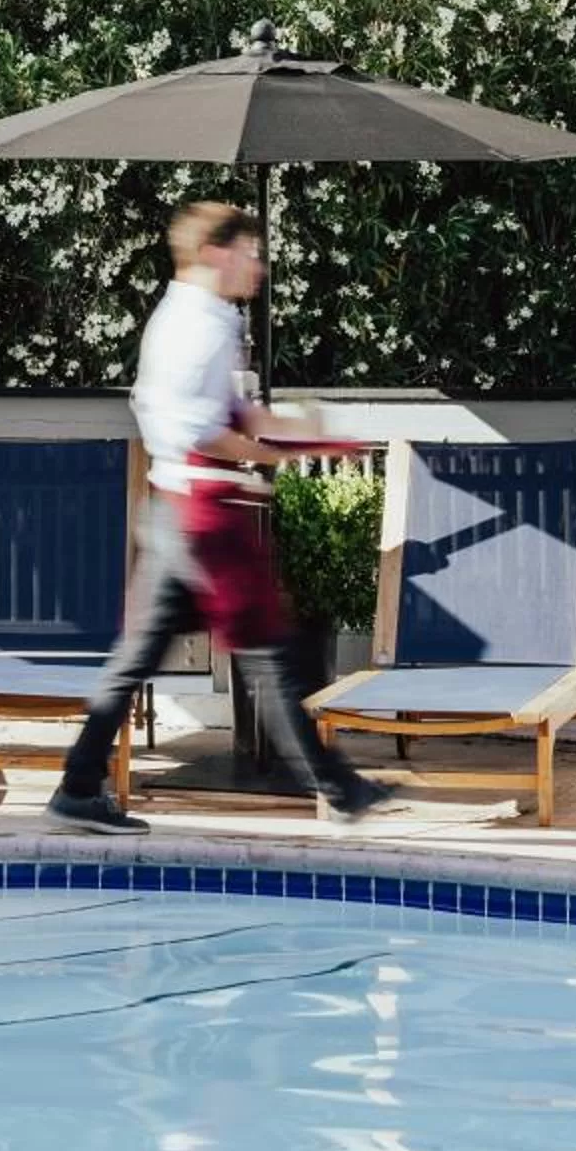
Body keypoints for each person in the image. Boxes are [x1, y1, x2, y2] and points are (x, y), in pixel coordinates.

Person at [47, 197, 390, 833]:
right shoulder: (198, 328)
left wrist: (311, 440)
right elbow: (205, 434)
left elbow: (233, 417)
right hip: (207, 513)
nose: (257, 269)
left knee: (140, 659)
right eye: (250, 255)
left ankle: (77, 784)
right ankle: (338, 788)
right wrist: (270, 451)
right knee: (269, 652)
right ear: (215, 252)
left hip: (178, 510)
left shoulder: (201, 318)